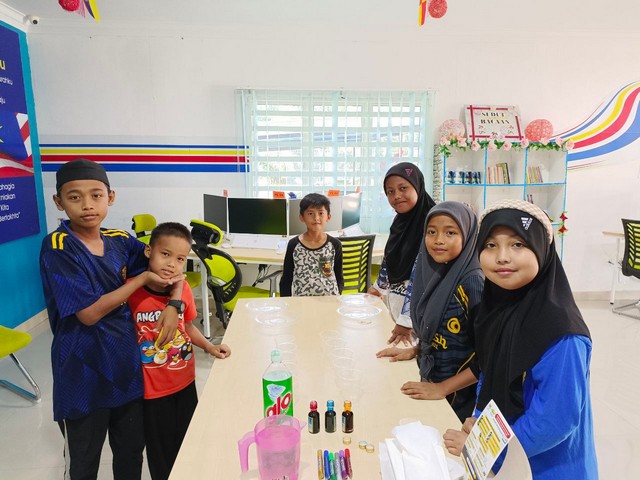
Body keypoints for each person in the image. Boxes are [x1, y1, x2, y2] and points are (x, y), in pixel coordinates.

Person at [39, 158, 181, 480]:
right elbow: (88, 314)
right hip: (81, 369)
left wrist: (175, 302)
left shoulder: (120, 240)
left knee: (130, 452)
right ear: (59, 202)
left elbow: (169, 264)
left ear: (110, 197)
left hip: (124, 365)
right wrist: (140, 280)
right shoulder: (58, 247)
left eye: (96, 195)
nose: (87, 205)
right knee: (84, 461)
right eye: (74, 197)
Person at [443, 199, 598, 479]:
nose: (502, 256)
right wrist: (480, 422)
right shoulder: (494, 311)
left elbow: (554, 421)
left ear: (541, 250)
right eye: (491, 245)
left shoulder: (562, 332)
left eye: (518, 244)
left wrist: (487, 452)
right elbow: (489, 375)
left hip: (545, 468)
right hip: (503, 460)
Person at [127, 222, 231, 480]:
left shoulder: (182, 289)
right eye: (165, 254)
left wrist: (209, 346)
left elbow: (188, 326)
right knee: (160, 451)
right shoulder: (132, 291)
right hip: (152, 390)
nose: (172, 264)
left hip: (184, 381)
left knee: (188, 442)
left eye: (180, 259)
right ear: (149, 251)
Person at [376, 202, 483, 420]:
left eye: (450, 233)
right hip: (431, 381)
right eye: (431, 232)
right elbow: (439, 330)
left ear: (468, 235)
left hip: (457, 397)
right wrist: (416, 350)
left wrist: (443, 388)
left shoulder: (472, 283)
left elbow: (487, 358)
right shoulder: (434, 271)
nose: (438, 240)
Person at [368, 162, 436, 345]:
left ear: (417, 186)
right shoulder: (400, 221)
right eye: (390, 191)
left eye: (403, 188)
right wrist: (379, 287)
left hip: (420, 314)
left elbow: (424, 273)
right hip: (398, 308)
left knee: (415, 357)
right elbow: (391, 255)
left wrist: (407, 320)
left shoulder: (433, 222)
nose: (396, 196)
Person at [279, 193, 344, 296]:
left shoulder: (335, 244)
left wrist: (336, 296)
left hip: (329, 300)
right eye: (310, 213)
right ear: (302, 217)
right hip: (301, 302)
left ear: (328, 217)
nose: (316, 218)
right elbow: (286, 279)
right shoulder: (294, 245)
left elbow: (339, 277)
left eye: (321, 213)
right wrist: (287, 302)